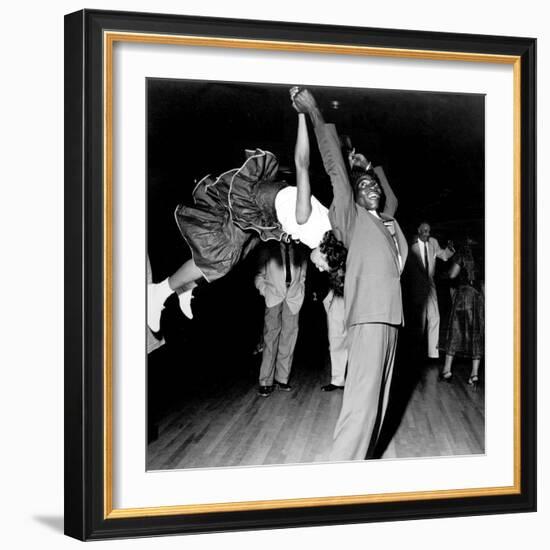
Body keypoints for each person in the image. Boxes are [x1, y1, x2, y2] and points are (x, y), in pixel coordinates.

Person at [147, 100, 337, 333]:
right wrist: (301, 115)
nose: (321, 269)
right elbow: (302, 164)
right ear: (328, 251)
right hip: (255, 201)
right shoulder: (305, 219)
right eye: (327, 267)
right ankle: (159, 291)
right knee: (219, 258)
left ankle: (184, 286)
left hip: (266, 217)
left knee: (230, 258)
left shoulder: (330, 228)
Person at [293, 88, 408, 461]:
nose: (370, 188)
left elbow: (391, 200)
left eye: (372, 185)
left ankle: (360, 467)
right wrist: (314, 112)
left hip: (391, 319)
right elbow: (336, 170)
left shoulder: (386, 220)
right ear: (353, 199)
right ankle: (341, 472)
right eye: (364, 188)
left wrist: (372, 167)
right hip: (370, 316)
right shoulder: (351, 219)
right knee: (361, 403)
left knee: (379, 403)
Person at [255, 241, 307, 396]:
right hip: (273, 297)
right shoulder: (267, 248)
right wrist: (265, 291)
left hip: (293, 299)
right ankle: (265, 381)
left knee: (289, 339)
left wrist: (300, 291)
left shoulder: (300, 250)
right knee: (270, 339)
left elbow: (303, 276)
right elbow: (259, 275)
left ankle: (282, 379)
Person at [439, 237, 484, 387]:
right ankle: (475, 374)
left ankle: (447, 370)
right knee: (476, 333)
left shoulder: (462, 252)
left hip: (464, 294)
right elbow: (484, 282)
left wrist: (443, 275)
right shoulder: (482, 254)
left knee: (455, 330)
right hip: (478, 297)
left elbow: (452, 275)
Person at [406, 222, 455, 360]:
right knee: (419, 319)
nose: (427, 234)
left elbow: (443, 255)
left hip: (430, 283)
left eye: (429, 231)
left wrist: (449, 249)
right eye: (425, 231)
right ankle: (416, 352)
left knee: (435, 317)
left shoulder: (433, 242)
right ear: (419, 230)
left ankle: (432, 354)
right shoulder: (411, 244)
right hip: (416, 284)